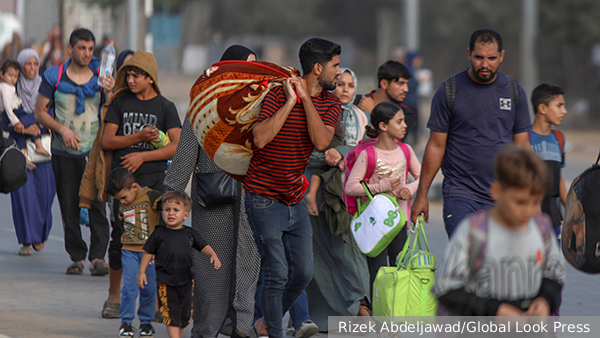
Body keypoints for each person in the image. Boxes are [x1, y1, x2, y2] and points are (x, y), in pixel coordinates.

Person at [244, 37, 341, 338]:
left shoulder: (330, 102)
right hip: (262, 197)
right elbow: (259, 138)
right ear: (317, 68)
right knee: (276, 274)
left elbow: (322, 141)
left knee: (301, 274)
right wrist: (289, 101)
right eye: (335, 66)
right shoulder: (276, 94)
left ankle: (263, 321)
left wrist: (306, 99)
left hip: (294, 198)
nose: (339, 72)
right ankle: (274, 331)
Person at [163, 44, 260, 338]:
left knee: (247, 262)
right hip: (212, 199)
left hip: (252, 199)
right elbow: (183, 161)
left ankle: (242, 326)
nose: (255, 74)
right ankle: (206, 329)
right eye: (249, 67)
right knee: (210, 266)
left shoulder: (261, 107)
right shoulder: (202, 107)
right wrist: (169, 207)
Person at [79, 50, 181, 317]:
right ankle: (114, 297)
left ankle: (158, 303)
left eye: (137, 75)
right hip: (123, 184)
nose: (131, 80)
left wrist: (143, 156)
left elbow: (176, 146)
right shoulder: (120, 103)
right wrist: (137, 137)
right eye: (130, 75)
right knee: (122, 240)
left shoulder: (166, 107)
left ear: (151, 79)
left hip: (154, 183)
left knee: (157, 241)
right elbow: (107, 141)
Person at [410, 29, 532, 237]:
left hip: (502, 196)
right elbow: (436, 146)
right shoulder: (449, 90)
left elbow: (523, 148)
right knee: (469, 259)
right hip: (460, 194)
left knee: (496, 264)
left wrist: (528, 194)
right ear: (469, 54)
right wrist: (421, 195)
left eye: (492, 58)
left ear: (501, 56)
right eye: (479, 57)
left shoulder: (514, 91)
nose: (485, 65)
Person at [432, 145, 565, 316]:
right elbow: (446, 291)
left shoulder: (541, 228)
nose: (528, 210)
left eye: (535, 202)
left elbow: (554, 275)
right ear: (497, 191)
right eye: (520, 202)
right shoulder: (475, 231)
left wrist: (545, 300)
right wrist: (495, 311)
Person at [34, 28, 114, 275]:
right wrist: (63, 130)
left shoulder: (102, 75)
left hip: (95, 152)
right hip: (63, 152)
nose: (87, 53)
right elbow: (40, 113)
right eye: (82, 48)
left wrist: (110, 90)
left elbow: (111, 111)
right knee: (69, 207)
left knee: (99, 205)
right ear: (71, 49)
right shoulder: (54, 76)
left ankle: (98, 257)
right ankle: (77, 256)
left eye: (91, 49)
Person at [303, 67, 371, 330]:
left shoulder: (360, 116)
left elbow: (368, 149)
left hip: (345, 192)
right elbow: (305, 150)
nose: (344, 90)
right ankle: (321, 319)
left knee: (346, 250)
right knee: (315, 254)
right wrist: (332, 155)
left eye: (350, 85)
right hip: (314, 189)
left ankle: (360, 308)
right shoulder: (320, 109)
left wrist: (344, 152)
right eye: (339, 83)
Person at [345, 102, 421, 289]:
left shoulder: (406, 150)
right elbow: (350, 187)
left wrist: (409, 189)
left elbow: (422, 177)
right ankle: (377, 314)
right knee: (377, 273)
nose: (405, 125)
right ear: (383, 126)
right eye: (399, 121)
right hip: (375, 226)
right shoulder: (368, 154)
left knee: (400, 270)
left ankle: (396, 312)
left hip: (400, 223)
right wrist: (380, 186)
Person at [137, 190, 222, 338]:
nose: (171, 213)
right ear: (162, 213)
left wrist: (213, 255)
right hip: (166, 282)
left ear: (185, 215)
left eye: (176, 210)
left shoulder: (190, 234)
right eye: (167, 210)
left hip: (186, 281)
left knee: (184, 316)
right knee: (171, 314)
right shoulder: (159, 234)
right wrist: (142, 272)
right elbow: (148, 253)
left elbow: (204, 246)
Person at [6, 48, 56, 256]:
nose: (32, 68)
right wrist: (27, 128)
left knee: (46, 192)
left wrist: (39, 125)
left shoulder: (45, 86)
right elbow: (7, 115)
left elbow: (52, 111)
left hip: (44, 146)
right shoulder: (11, 89)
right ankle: (26, 240)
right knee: (23, 195)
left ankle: (41, 234)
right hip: (20, 146)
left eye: (36, 64)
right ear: (21, 65)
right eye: (28, 64)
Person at [105, 167, 162, 337]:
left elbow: (168, 207)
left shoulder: (151, 196)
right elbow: (122, 225)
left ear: (134, 187)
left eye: (123, 197)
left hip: (149, 253)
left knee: (149, 287)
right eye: (118, 199)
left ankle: (145, 323)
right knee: (129, 287)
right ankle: (126, 323)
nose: (122, 202)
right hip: (129, 251)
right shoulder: (123, 203)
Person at [529, 84, 568, 239]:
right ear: (542, 108)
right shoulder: (524, 139)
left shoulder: (559, 138)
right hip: (530, 220)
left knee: (554, 262)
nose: (564, 111)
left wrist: (574, 212)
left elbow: (558, 179)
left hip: (554, 219)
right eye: (559, 106)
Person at [1, 59, 48, 167]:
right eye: (10, 75)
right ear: (2, 74)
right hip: (13, 115)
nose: (13, 79)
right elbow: (8, 108)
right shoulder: (6, 88)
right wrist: (16, 122)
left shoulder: (40, 83)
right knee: (34, 118)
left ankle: (24, 157)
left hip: (13, 117)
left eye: (16, 76)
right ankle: (39, 145)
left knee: (20, 136)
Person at [356, 60, 416, 143]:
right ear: (384, 84)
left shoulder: (406, 114)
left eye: (407, 84)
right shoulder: (358, 102)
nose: (406, 89)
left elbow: (394, 145)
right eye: (401, 83)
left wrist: (372, 112)